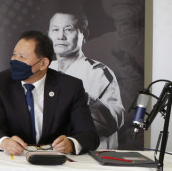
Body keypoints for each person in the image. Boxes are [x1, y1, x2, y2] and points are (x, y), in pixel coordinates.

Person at [0, 30, 99, 156]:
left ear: (43, 63)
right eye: (14, 55)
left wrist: (71, 143)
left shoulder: (70, 87)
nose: (14, 60)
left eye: (22, 57)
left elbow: (89, 135)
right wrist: (5, 143)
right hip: (15, 159)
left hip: (56, 161)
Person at [47, 11, 124, 149]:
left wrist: (83, 98)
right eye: (55, 30)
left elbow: (115, 120)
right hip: (51, 152)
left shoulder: (98, 73)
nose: (60, 36)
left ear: (84, 35)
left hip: (90, 153)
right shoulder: (44, 70)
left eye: (68, 29)